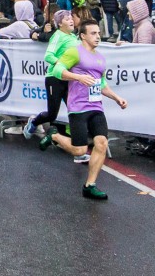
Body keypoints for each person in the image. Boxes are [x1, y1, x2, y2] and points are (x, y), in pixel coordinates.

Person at [40, 18, 128, 200]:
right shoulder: (74, 52)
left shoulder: (100, 58)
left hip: (96, 106)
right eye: (93, 33)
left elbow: (101, 84)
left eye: (99, 33)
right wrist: (78, 77)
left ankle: (90, 185)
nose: (98, 37)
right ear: (83, 36)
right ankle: (54, 136)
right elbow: (57, 71)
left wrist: (117, 98)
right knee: (80, 151)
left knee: (101, 143)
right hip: (78, 107)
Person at [26, 9, 77, 141]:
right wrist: (61, 64)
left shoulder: (74, 37)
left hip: (69, 78)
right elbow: (48, 56)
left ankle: (76, 140)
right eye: (67, 19)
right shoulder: (57, 36)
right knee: (52, 114)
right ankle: (34, 122)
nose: (71, 21)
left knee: (75, 109)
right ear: (60, 24)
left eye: (71, 18)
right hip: (54, 78)